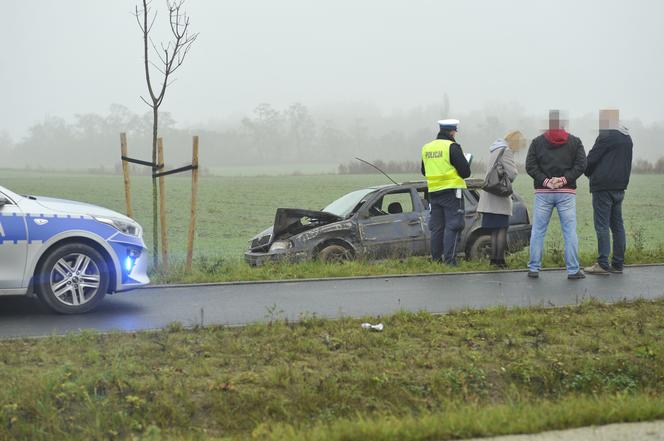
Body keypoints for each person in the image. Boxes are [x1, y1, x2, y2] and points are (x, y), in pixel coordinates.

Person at [525, 110, 587, 279]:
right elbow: (581, 165)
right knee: (569, 232)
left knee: (538, 231)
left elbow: (530, 166)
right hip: (566, 193)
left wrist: (546, 181)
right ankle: (573, 270)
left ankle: (534, 268)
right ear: (563, 123)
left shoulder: (537, 142)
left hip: (543, 193)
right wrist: (564, 179)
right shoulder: (575, 142)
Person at [583, 109, 633, 275]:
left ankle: (602, 264)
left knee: (602, 226)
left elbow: (591, 159)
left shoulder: (606, 135)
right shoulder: (626, 137)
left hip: (603, 187)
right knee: (617, 226)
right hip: (620, 187)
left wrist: (587, 171)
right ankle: (618, 264)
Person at [421, 119, 471, 265]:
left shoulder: (426, 147)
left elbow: (424, 171)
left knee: (437, 228)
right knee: (453, 225)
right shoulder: (452, 146)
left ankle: (436, 261)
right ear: (452, 131)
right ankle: (450, 261)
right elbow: (465, 172)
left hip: (433, 192)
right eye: (455, 131)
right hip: (451, 192)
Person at [477, 131, 525, 267]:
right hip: (499, 195)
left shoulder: (494, 149)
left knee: (494, 229)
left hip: (489, 195)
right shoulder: (506, 151)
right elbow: (512, 174)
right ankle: (499, 260)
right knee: (502, 228)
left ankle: (493, 260)